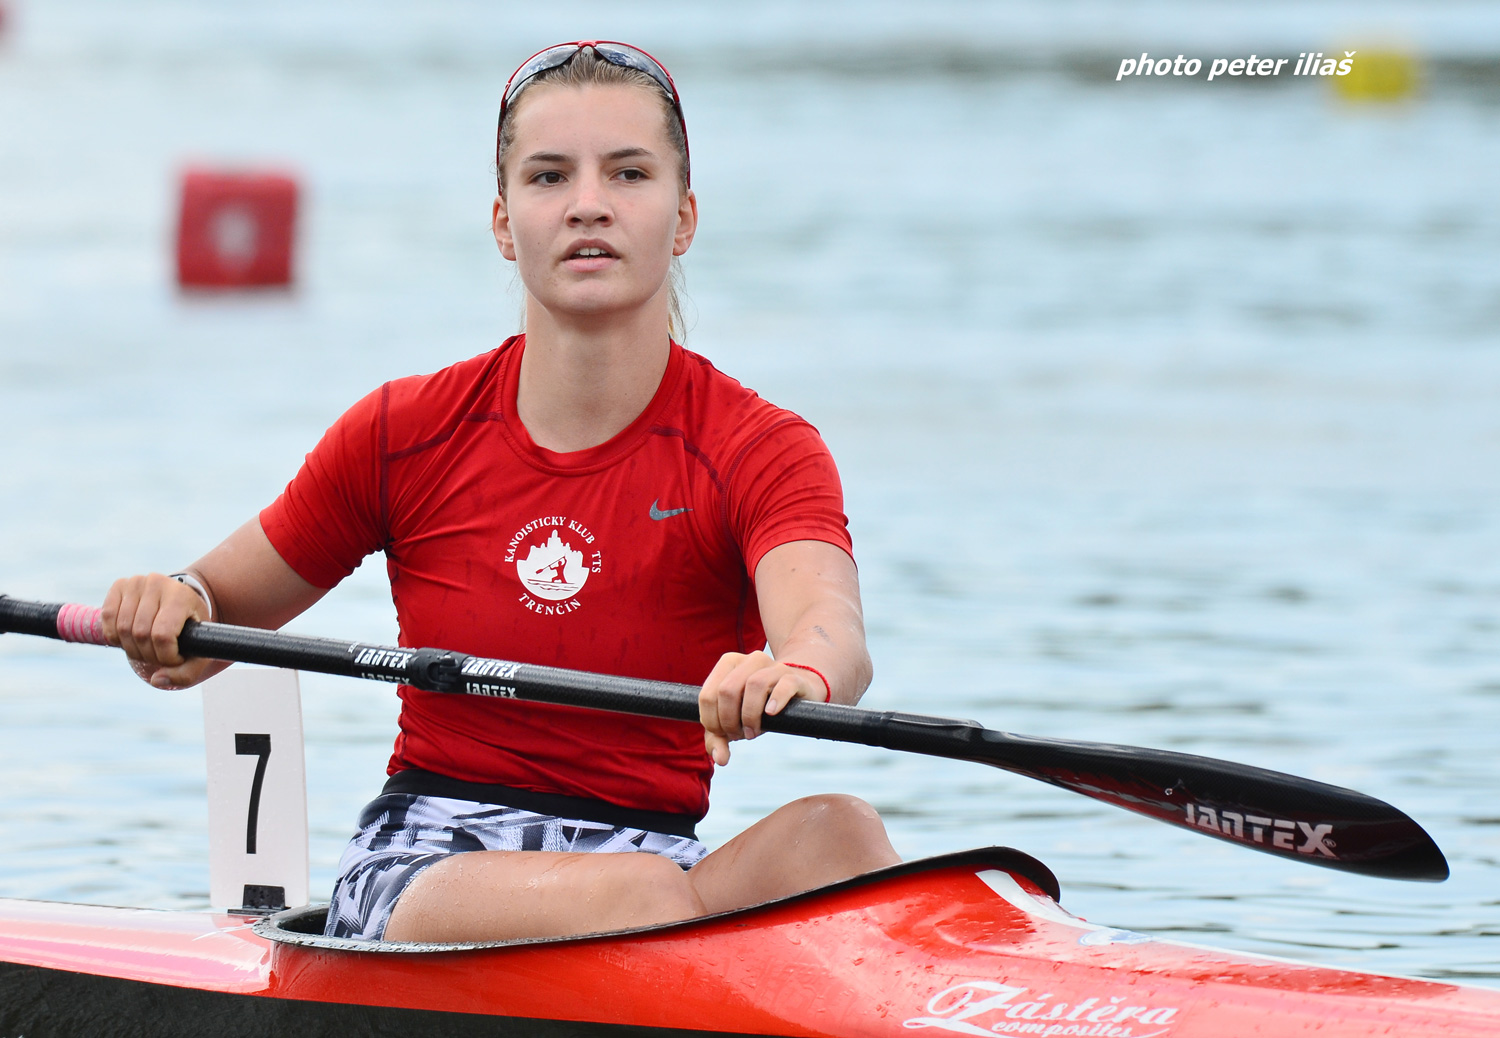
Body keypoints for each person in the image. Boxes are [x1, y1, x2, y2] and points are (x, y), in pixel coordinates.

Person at [100, 41, 899, 944]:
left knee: (843, 834)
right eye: (550, 176)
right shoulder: (405, 432)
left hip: (660, 861)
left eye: (628, 173)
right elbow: (203, 628)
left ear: (683, 218)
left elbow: (832, 633)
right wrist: (168, 602)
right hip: (433, 863)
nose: (589, 204)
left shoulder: (759, 447)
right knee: (638, 897)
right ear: (503, 221)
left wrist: (792, 672)